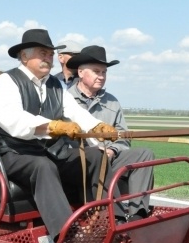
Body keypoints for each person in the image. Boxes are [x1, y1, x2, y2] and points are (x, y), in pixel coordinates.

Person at [0, 28, 117, 237]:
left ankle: (111, 220)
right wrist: (53, 126)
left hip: (49, 151)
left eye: (50, 54)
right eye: (42, 53)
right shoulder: (7, 81)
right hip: (15, 153)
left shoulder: (55, 85)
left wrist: (96, 127)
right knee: (43, 166)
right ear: (24, 56)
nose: (48, 58)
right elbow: (12, 119)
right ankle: (66, 234)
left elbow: (74, 111)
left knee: (95, 156)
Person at [66, 45, 154, 218]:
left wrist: (112, 150)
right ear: (81, 72)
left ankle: (138, 214)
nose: (101, 76)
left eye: (104, 72)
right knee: (96, 158)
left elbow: (122, 135)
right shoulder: (66, 100)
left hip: (109, 158)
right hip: (81, 163)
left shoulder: (112, 102)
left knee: (145, 154)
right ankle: (116, 219)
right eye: (96, 71)